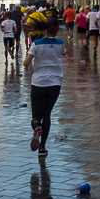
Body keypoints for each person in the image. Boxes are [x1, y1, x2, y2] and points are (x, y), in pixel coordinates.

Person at [22, 12, 66, 156]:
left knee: (36, 115)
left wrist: (29, 66)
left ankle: (36, 127)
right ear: (57, 29)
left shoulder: (36, 44)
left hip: (38, 82)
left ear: (44, 29)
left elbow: (26, 63)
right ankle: (42, 147)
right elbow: (63, 53)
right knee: (47, 114)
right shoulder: (60, 44)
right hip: (55, 82)